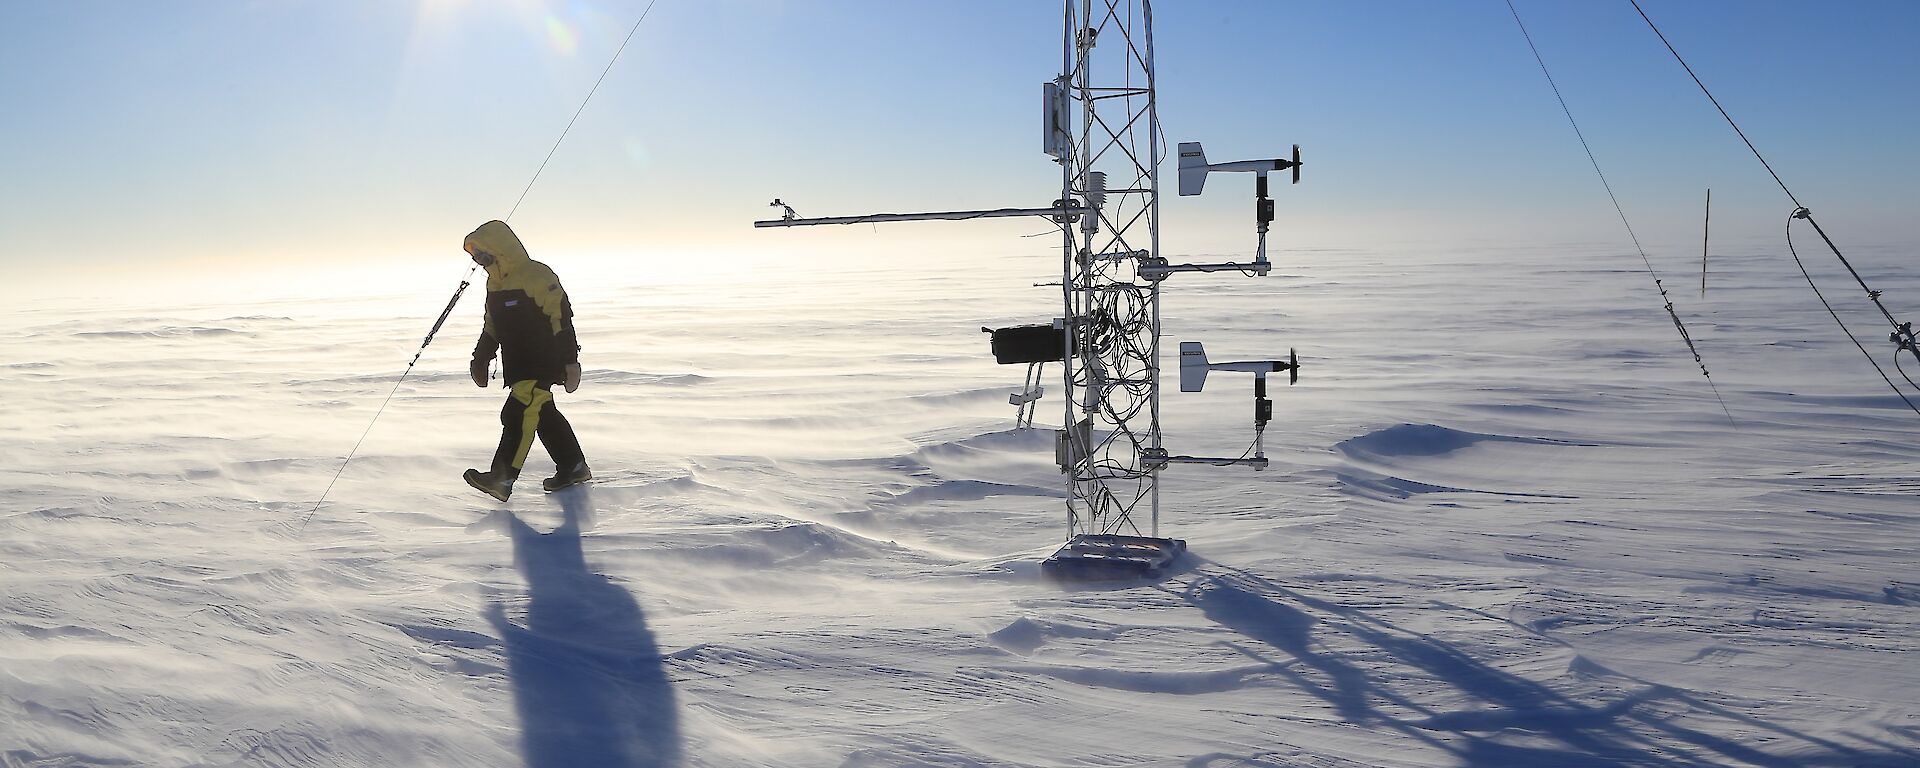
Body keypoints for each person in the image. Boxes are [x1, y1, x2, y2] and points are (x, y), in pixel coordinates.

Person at [461, 220, 591, 501]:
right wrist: (481, 357)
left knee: (518, 413)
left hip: (544, 360)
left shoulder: (536, 275)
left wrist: (570, 361)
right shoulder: (494, 284)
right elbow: (492, 324)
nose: (480, 261)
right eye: (475, 256)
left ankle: (502, 478)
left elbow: (561, 318)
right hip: (518, 363)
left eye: (483, 254)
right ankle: (573, 466)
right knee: (543, 415)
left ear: (500, 249)